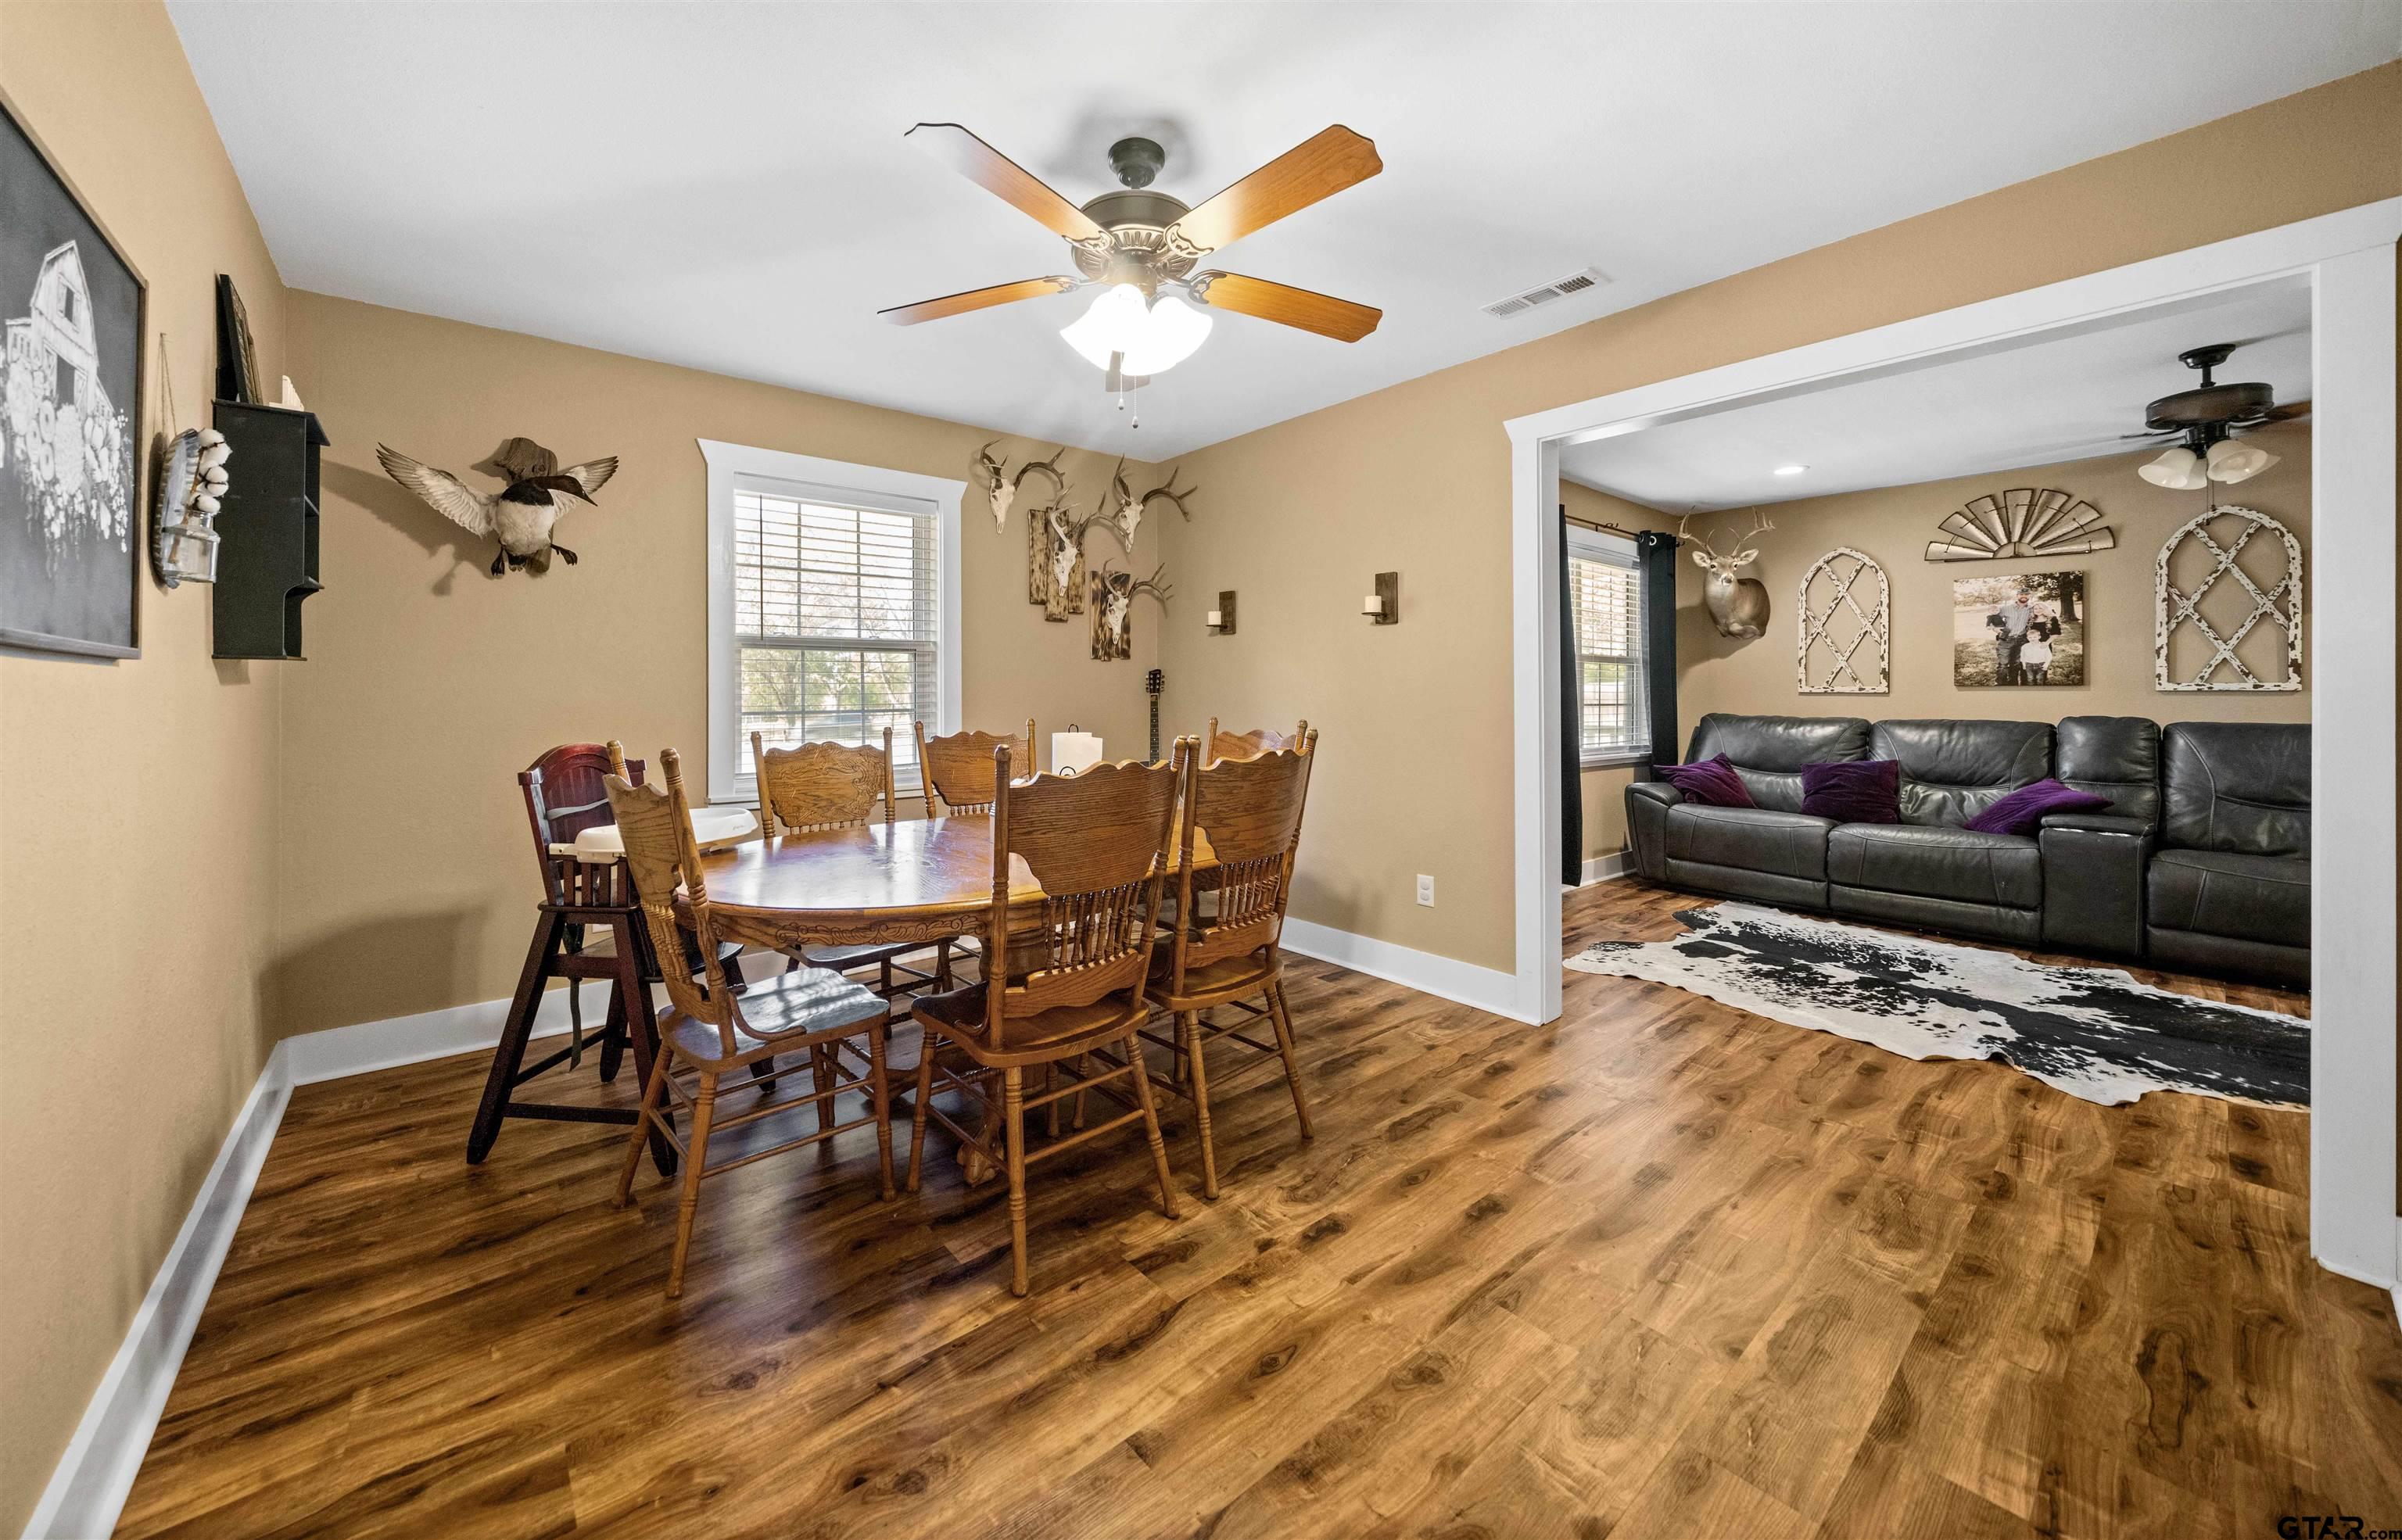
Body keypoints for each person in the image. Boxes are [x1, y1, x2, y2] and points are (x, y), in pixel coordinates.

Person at [1988, 588, 2036, 685]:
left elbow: (2045, 612)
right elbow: (1992, 618)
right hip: (2006, 639)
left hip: (2022, 639)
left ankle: (2012, 683)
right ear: (2017, 595)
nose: (2024, 596)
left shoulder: (2031, 609)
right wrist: (1996, 630)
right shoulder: (2006, 608)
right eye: (2021, 594)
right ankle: (2001, 684)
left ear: (2029, 596)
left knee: (2017, 663)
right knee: (2003, 664)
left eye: (2026, 594)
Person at [2020, 607, 2057, 685]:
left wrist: (2047, 643)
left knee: (2042, 664)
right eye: (2036, 609)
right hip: (2030, 644)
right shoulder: (2031, 619)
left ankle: (2040, 684)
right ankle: (2026, 685)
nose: (2038, 610)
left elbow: (2056, 633)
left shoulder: (2051, 619)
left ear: (2045, 609)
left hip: (2044, 645)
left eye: (2041, 608)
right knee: (2028, 664)